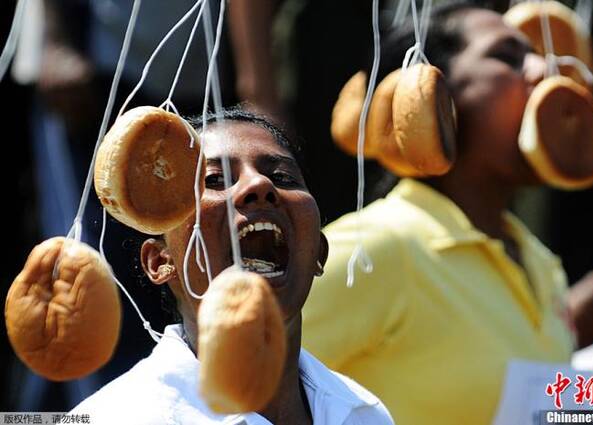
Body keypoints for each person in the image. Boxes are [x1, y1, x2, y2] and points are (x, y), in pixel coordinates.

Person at [301, 3, 575, 424]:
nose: (546, 72)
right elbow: (228, 388)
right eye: (507, 57)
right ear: (431, 93)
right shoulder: (373, 250)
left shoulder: (543, 263)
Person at [69, 108, 395, 425]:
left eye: (281, 177)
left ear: (318, 255)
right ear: (161, 262)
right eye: (214, 179)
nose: (258, 186)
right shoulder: (112, 417)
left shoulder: (364, 414)